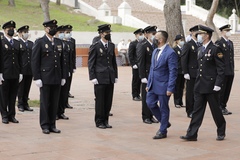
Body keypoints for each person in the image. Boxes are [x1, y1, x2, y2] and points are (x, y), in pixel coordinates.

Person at [180, 25, 226, 141]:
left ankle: (221, 131)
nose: (199, 36)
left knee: (216, 110)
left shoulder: (215, 49)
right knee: (197, 111)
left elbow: (221, 69)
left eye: (201, 34)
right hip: (200, 85)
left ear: (207, 36)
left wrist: (217, 84)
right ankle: (192, 134)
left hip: (211, 86)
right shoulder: (200, 49)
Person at [31, 19, 66, 134]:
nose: (53, 29)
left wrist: (63, 76)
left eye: (54, 27)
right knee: (45, 102)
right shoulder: (40, 42)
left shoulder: (59, 42)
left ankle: (52, 124)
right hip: (45, 77)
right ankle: (45, 125)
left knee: (54, 102)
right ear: (46, 29)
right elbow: (35, 61)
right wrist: (37, 77)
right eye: (51, 27)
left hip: (56, 77)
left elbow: (62, 61)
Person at [146, 30, 178, 139]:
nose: (153, 38)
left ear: (160, 40)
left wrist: (170, 88)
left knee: (164, 108)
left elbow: (173, 72)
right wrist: (148, 83)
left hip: (164, 86)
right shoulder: (155, 51)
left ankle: (163, 130)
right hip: (153, 84)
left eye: (156, 37)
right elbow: (152, 69)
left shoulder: (170, 53)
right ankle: (164, 122)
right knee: (150, 103)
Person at [88, 24, 118, 129]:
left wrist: (115, 75)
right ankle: (99, 121)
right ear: (101, 34)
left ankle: (106, 120)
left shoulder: (111, 45)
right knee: (100, 100)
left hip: (110, 77)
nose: (108, 34)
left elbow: (113, 62)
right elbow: (91, 62)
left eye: (109, 33)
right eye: (106, 33)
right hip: (99, 77)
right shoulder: (95, 46)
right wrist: (92, 77)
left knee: (108, 100)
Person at [0, 20, 22, 124]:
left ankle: (11, 115)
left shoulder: (17, 43)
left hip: (15, 73)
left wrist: (21, 72)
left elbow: (19, 59)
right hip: (5, 73)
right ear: (4, 30)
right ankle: (4, 115)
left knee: (13, 96)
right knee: (4, 96)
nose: (11, 31)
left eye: (13, 29)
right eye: (9, 29)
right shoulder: (1, 42)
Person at [137, 26, 158, 124]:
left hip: (154, 74)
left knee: (153, 96)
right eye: (152, 34)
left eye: (155, 34)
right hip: (147, 74)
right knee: (146, 96)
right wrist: (142, 76)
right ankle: (145, 116)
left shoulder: (154, 45)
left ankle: (151, 115)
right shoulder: (143, 45)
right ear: (146, 34)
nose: (154, 36)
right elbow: (141, 62)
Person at [181, 25, 200, 118]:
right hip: (191, 72)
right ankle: (190, 110)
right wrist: (185, 72)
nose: (199, 34)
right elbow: (184, 59)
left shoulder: (200, 45)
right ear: (192, 33)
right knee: (190, 92)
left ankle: (196, 109)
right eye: (197, 32)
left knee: (197, 92)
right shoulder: (188, 44)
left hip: (199, 72)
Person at [215, 24, 234, 115]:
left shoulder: (230, 43)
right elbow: (219, 59)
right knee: (222, 90)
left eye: (229, 30)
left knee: (227, 90)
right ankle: (219, 106)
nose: (228, 32)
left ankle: (224, 105)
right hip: (223, 71)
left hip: (230, 70)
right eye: (226, 31)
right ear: (222, 32)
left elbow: (231, 58)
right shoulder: (219, 43)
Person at [17, 25, 34, 112]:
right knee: (21, 88)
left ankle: (25, 103)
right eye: (24, 32)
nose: (26, 34)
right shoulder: (18, 43)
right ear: (20, 33)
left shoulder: (31, 43)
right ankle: (20, 104)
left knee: (27, 87)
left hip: (29, 69)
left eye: (27, 32)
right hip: (22, 69)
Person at [55, 25, 70, 120]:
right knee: (57, 94)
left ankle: (61, 111)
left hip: (65, 71)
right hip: (57, 72)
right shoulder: (55, 42)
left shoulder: (66, 43)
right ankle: (55, 112)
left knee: (64, 93)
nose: (62, 34)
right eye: (60, 32)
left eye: (63, 32)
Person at [128, 28, 144, 101]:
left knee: (141, 80)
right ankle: (135, 94)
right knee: (136, 80)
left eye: (142, 34)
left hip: (142, 65)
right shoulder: (133, 43)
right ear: (136, 35)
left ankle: (139, 94)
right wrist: (133, 64)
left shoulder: (143, 43)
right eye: (140, 34)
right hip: (136, 65)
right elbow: (130, 55)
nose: (141, 36)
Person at [64, 24, 76, 109]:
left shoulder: (72, 41)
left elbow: (73, 54)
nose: (69, 33)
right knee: (63, 86)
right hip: (63, 67)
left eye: (70, 32)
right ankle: (63, 102)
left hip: (70, 66)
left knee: (68, 84)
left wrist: (74, 66)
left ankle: (66, 102)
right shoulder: (61, 41)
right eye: (67, 32)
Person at [172, 34, 185, 108]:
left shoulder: (183, 49)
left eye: (182, 40)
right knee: (177, 87)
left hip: (183, 71)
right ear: (177, 41)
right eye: (180, 40)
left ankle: (180, 101)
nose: (182, 41)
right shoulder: (175, 49)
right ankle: (176, 101)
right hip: (177, 71)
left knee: (181, 87)